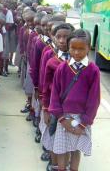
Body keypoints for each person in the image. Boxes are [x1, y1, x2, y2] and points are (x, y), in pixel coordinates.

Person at [49, 29, 100, 171]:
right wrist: (61, 118)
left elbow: (94, 100)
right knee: (61, 149)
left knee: (76, 150)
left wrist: (84, 123)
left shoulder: (93, 70)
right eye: (73, 48)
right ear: (68, 47)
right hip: (63, 116)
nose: (76, 53)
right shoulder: (62, 68)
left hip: (81, 118)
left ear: (88, 48)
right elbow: (55, 94)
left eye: (81, 49)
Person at [40, 23, 74, 171]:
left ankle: (65, 164)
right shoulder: (52, 60)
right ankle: (54, 164)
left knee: (69, 138)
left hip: (72, 109)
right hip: (55, 108)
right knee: (54, 135)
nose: (61, 40)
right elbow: (46, 87)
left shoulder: (78, 61)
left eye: (66, 37)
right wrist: (45, 108)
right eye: (58, 37)